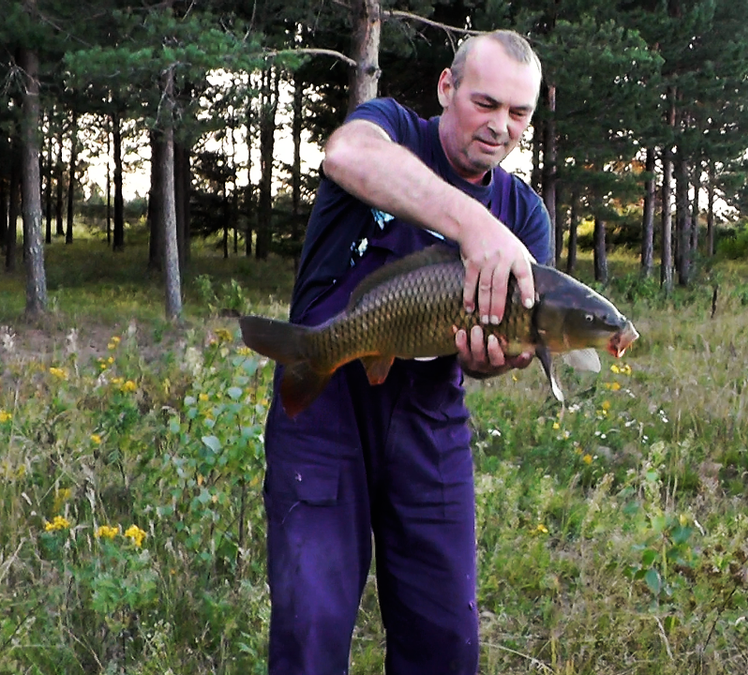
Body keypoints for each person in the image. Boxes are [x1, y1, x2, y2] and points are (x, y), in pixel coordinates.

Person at [261, 30, 550, 675]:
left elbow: (512, 346)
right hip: (325, 408)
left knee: (445, 636)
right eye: (486, 102)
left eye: (519, 113)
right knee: (312, 622)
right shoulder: (389, 128)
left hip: (428, 419)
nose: (501, 126)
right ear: (446, 89)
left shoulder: (526, 216)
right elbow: (346, 155)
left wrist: (493, 359)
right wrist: (474, 226)